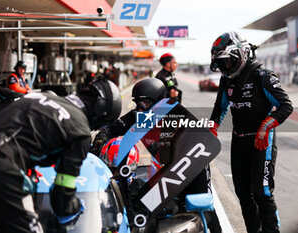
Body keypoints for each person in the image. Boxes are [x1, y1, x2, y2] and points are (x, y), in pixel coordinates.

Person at [90, 78, 221, 232]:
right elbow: (110, 129)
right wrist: (99, 141)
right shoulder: (139, 115)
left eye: (144, 104)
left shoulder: (178, 116)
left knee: (206, 210)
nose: (139, 109)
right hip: (164, 171)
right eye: (137, 103)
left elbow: (200, 141)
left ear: (158, 102)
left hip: (192, 166)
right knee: (142, 208)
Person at [0, 77, 121, 233]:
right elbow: (62, 197)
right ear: (101, 114)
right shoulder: (80, 131)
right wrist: (73, 208)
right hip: (3, 170)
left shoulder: (41, 96)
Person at [209, 32, 293, 233]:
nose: (225, 67)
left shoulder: (263, 77)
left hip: (261, 141)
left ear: (241, 54)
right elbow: (220, 108)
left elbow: (285, 106)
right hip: (239, 141)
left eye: (228, 62)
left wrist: (265, 126)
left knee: (261, 192)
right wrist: (211, 128)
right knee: (243, 194)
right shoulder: (226, 80)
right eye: (221, 63)